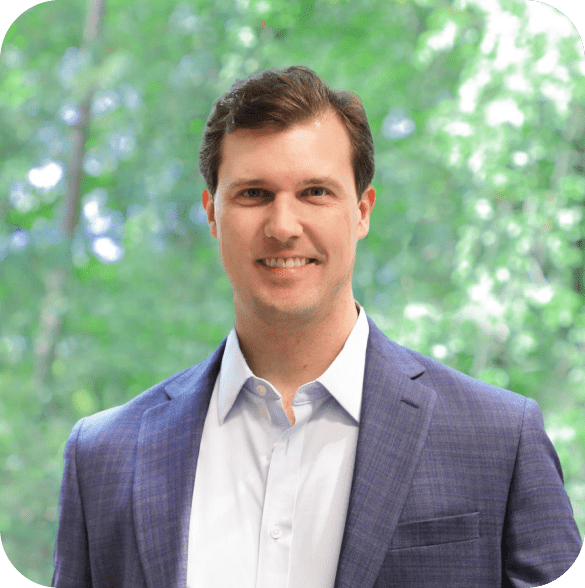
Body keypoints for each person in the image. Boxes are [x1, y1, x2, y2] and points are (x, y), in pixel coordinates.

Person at [52, 66, 582, 588]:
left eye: (315, 192)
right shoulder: (103, 456)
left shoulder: (498, 438)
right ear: (213, 214)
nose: (283, 226)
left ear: (362, 211)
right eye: (254, 194)